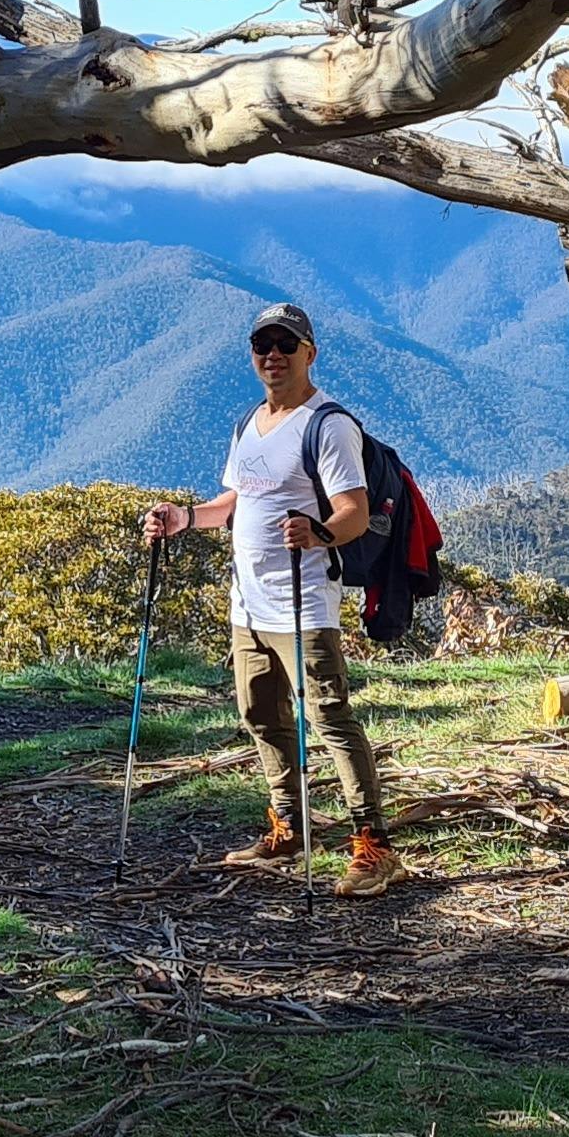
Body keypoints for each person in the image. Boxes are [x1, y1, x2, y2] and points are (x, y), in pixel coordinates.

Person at [143, 302, 403, 898]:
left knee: (330, 719)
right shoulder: (248, 424)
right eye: (263, 344)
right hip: (249, 605)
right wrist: (182, 518)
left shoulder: (329, 424)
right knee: (261, 716)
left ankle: (375, 845)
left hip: (304, 601)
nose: (273, 354)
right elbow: (231, 501)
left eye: (286, 344)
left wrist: (320, 532)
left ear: (310, 352)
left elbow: (355, 512)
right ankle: (289, 827)